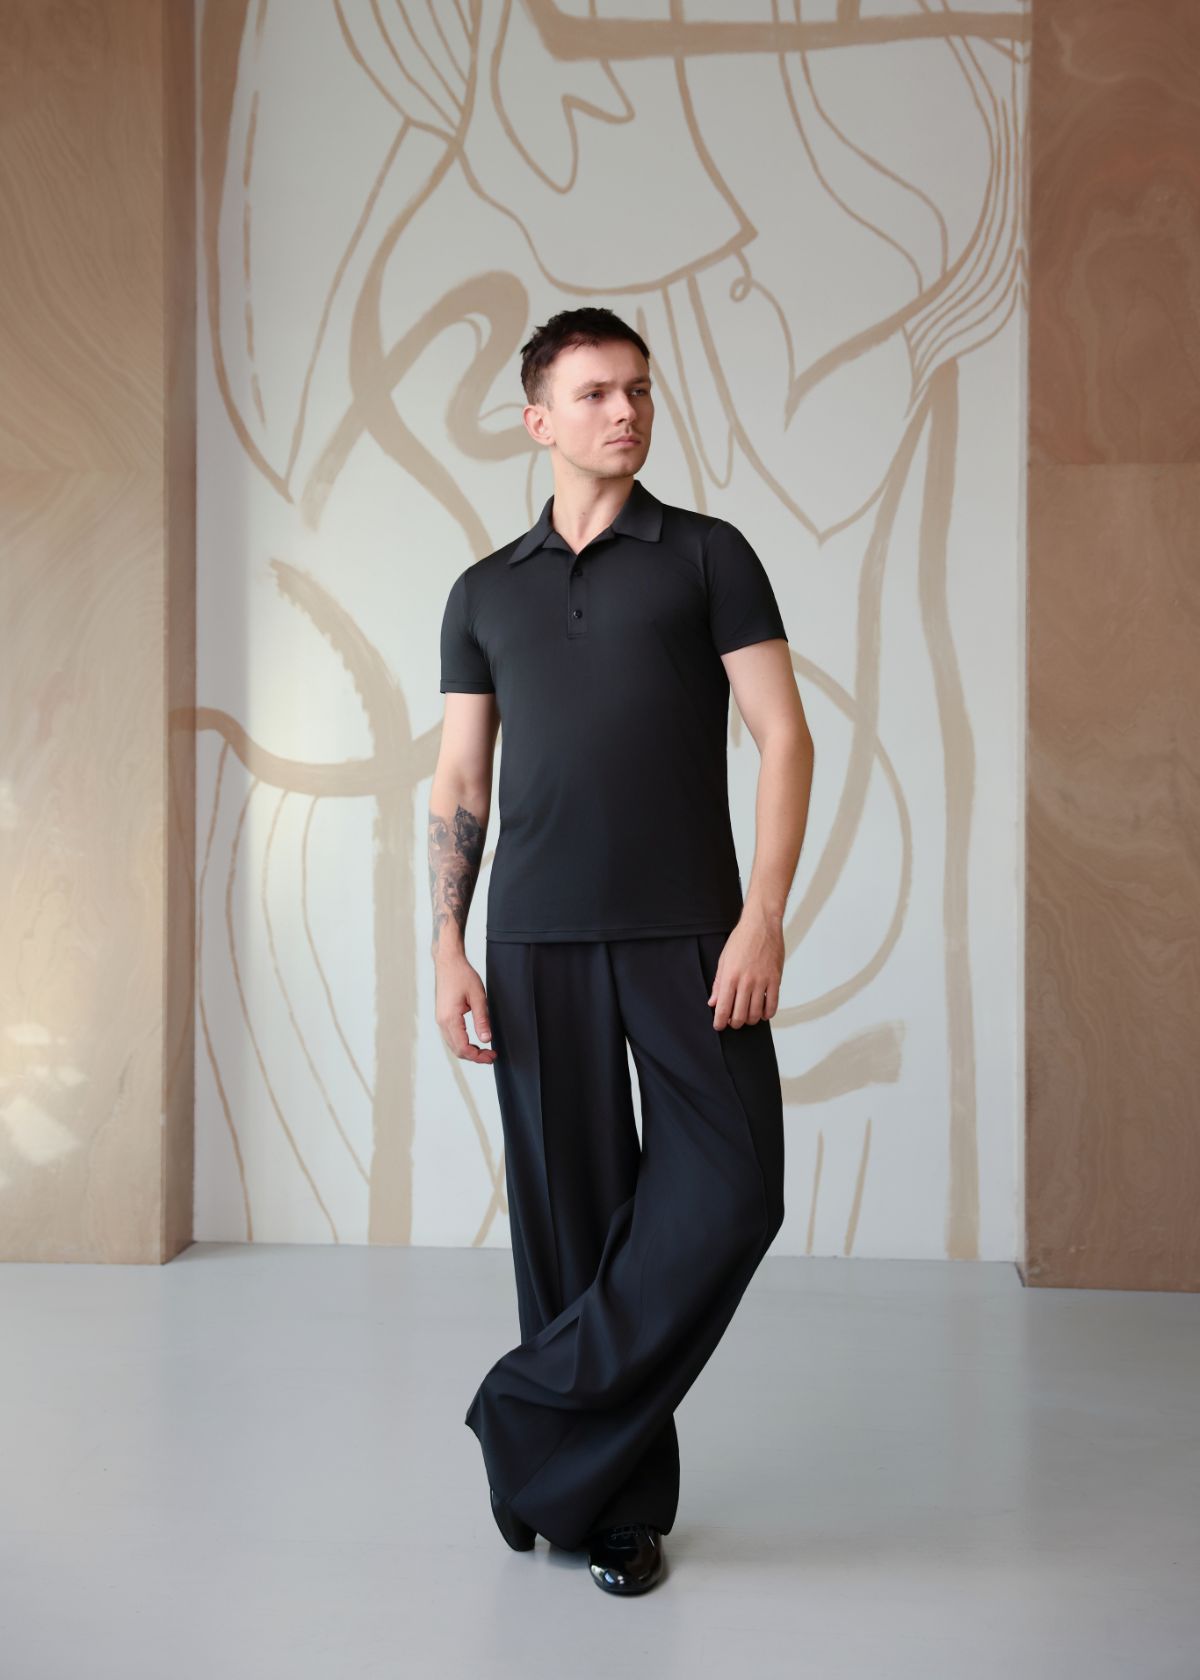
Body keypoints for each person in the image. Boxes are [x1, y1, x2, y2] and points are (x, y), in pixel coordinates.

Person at [428, 306, 814, 1595]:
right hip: (533, 937)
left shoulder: (707, 555)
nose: (626, 411)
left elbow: (784, 735)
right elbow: (460, 779)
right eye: (595, 393)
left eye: (639, 390)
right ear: (538, 419)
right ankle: (609, 1504)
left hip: (695, 932)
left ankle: (525, 1411)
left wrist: (763, 915)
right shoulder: (484, 592)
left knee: (736, 1188)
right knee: (569, 1220)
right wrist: (447, 943)